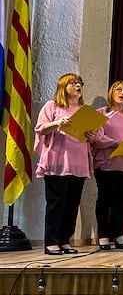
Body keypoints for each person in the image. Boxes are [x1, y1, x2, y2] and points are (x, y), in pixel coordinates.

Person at [34, 73, 98, 255]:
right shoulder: (52, 106)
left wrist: (92, 136)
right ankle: (51, 241)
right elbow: (40, 128)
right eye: (73, 83)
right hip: (58, 163)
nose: (78, 86)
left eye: (80, 83)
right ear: (63, 87)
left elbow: (94, 135)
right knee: (56, 203)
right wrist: (57, 123)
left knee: (72, 204)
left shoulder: (84, 110)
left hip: (78, 164)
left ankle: (65, 240)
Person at [91, 80, 123, 250]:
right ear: (111, 93)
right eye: (118, 90)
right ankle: (103, 235)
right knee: (106, 198)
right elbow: (97, 138)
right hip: (107, 163)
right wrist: (117, 142)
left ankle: (118, 234)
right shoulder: (102, 113)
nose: (122, 93)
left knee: (122, 201)